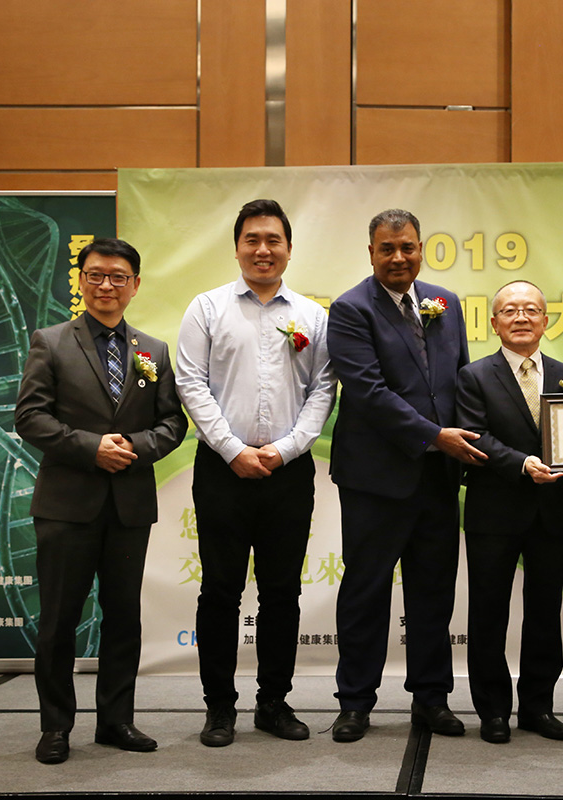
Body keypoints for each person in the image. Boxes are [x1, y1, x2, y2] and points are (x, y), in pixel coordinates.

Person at [15, 238, 187, 764]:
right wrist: (93, 448)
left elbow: (173, 422)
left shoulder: (151, 351)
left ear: (135, 285)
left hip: (128, 507)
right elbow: (30, 417)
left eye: (118, 277)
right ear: (81, 280)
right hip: (66, 506)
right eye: (95, 275)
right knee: (59, 621)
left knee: (123, 619)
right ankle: (55, 727)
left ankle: (116, 721)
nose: (106, 285)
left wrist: (132, 447)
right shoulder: (50, 342)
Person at [175, 199, 335, 747]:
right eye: (252, 240)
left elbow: (324, 389)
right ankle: (219, 706)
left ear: (289, 248)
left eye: (273, 240)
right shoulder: (207, 308)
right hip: (222, 470)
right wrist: (232, 449)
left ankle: (273, 703)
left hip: (287, 473)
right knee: (220, 590)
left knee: (281, 592)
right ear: (238, 247)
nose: (263, 250)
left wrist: (286, 450)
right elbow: (191, 383)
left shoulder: (312, 316)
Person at [326, 208, 486, 742]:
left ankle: (431, 698)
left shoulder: (446, 302)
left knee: (433, 592)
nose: (399, 257)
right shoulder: (350, 309)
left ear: (421, 249)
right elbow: (369, 392)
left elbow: (461, 380)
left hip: (438, 477)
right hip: (375, 479)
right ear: (371, 252)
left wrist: (468, 442)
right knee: (366, 591)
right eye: (387, 248)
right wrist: (436, 435)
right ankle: (355, 702)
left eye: (408, 247)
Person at [455, 280, 563, 744]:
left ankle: (538, 708)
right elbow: (474, 436)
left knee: (545, 613)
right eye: (510, 310)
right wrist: (523, 463)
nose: (521, 317)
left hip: (552, 512)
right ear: (494, 323)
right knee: (489, 613)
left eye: (530, 310)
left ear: (546, 320)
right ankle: (492, 711)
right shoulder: (474, 376)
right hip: (494, 512)